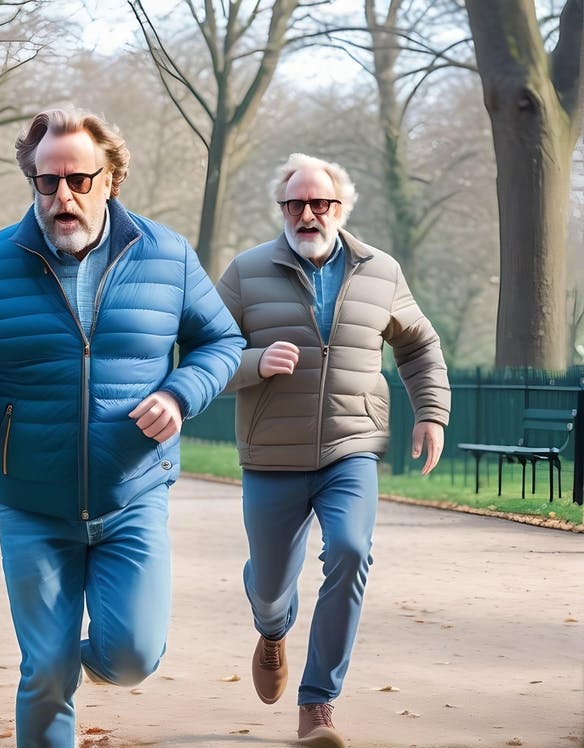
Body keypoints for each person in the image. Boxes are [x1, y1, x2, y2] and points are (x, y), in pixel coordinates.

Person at [0, 107, 245, 748]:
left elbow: (221, 341)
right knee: (46, 672)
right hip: (31, 503)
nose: (63, 196)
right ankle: (55, 668)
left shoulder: (167, 256)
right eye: (47, 181)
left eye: (79, 180)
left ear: (110, 178)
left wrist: (180, 393)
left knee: (134, 656)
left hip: (132, 495)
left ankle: (73, 662)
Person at [215, 153, 451, 748]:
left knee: (349, 551)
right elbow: (203, 353)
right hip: (271, 454)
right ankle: (272, 631)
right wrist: (253, 363)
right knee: (271, 585)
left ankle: (318, 702)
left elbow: (419, 346)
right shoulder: (246, 272)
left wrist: (431, 413)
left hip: (351, 447)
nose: (308, 214)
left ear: (341, 208)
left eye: (321, 203)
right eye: (295, 203)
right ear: (282, 209)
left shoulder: (381, 271)